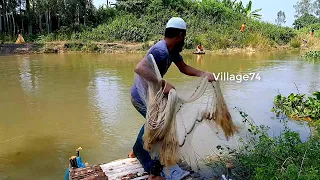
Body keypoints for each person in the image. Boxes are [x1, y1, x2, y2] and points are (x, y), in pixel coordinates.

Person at [130, 17, 215, 180]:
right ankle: (153, 173)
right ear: (180, 35)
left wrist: (204, 74)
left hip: (150, 95)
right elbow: (139, 68)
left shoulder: (172, 50)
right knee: (160, 126)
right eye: (184, 35)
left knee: (153, 124)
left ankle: (135, 151)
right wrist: (162, 83)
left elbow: (184, 68)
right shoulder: (160, 50)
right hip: (140, 96)